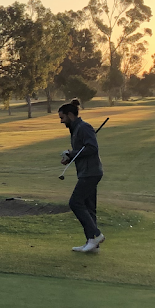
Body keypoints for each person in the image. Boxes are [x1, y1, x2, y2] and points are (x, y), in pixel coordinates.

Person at [58, 98, 105, 253]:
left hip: (90, 172)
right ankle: (92, 243)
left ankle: (96, 235)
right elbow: (83, 151)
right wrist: (71, 157)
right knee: (89, 208)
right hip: (87, 171)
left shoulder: (84, 128)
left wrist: (71, 153)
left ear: (70, 115)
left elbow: (92, 148)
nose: (61, 121)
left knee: (75, 203)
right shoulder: (77, 129)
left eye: (62, 118)